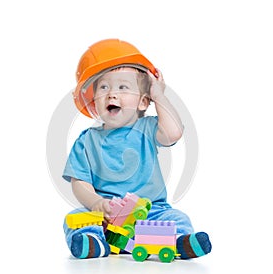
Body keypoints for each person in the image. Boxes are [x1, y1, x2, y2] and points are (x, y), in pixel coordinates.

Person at [62, 39, 212, 260]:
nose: (112, 94)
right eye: (104, 87)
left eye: (123, 87)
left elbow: (173, 133)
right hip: (106, 215)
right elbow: (79, 183)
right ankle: (95, 242)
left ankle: (180, 241)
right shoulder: (86, 141)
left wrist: (158, 95)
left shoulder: (148, 128)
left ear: (143, 102)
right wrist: (96, 203)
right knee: (74, 217)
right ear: (94, 104)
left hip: (150, 211)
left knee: (177, 217)